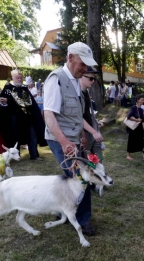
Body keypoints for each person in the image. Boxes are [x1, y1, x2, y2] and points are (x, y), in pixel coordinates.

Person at [43, 41, 98, 236]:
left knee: (72, 177)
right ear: (70, 58)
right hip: (59, 139)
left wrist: (82, 136)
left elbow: (76, 116)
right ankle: (83, 221)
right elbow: (48, 115)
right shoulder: (56, 79)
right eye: (82, 64)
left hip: (73, 138)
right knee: (80, 178)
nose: (85, 69)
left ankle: (61, 212)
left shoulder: (76, 80)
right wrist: (65, 142)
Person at [0, 69, 47, 160]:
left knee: (32, 135)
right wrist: (7, 101)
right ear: (13, 78)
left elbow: (30, 103)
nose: (19, 79)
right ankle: (16, 155)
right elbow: (3, 102)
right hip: (14, 117)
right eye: (17, 78)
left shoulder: (24, 88)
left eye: (21, 78)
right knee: (15, 137)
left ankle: (34, 155)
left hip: (28, 117)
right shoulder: (8, 88)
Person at [79, 67, 104, 159]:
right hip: (85, 133)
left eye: (94, 78)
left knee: (98, 157)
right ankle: (93, 172)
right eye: (91, 78)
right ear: (81, 76)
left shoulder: (86, 92)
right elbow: (78, 117)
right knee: (86, 160)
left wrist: (96, 123)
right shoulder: (77, 94)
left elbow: (88, 113)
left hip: (92, 130)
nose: (93, 81)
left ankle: (99, 172)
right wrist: (83, 136)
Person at [125, 95, 144, 160]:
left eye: (143, 100)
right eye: (141, 100)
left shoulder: (142, 110)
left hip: (140, 128)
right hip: (133, 128)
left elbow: (143, 120)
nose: (143, 101)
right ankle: (128, 155)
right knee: (131, 140)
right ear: (137, 100)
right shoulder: (133, 108)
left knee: (143, 141)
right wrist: (137, 120)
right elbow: (129, 116)